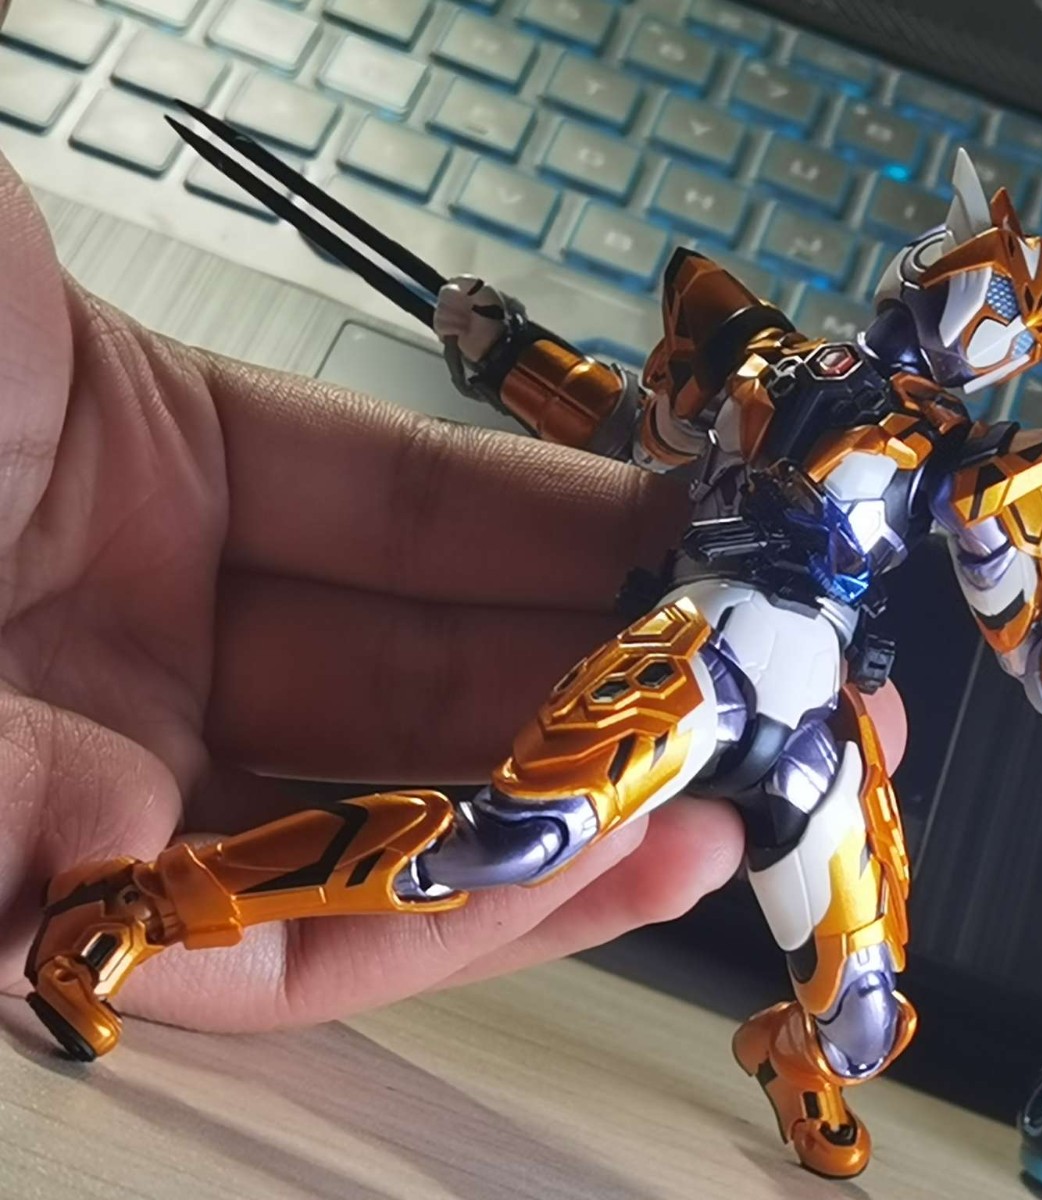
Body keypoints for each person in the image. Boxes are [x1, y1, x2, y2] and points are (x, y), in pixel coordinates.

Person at [0, 153, 910, 1044]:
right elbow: (636, 430)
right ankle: (135, 907)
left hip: (810, 706)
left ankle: (803, 1074)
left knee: (859, 1017)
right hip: (698, 647)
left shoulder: (961, 452)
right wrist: (510, 351)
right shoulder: (768, 356)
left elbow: (1007, 612)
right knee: (506, 846)